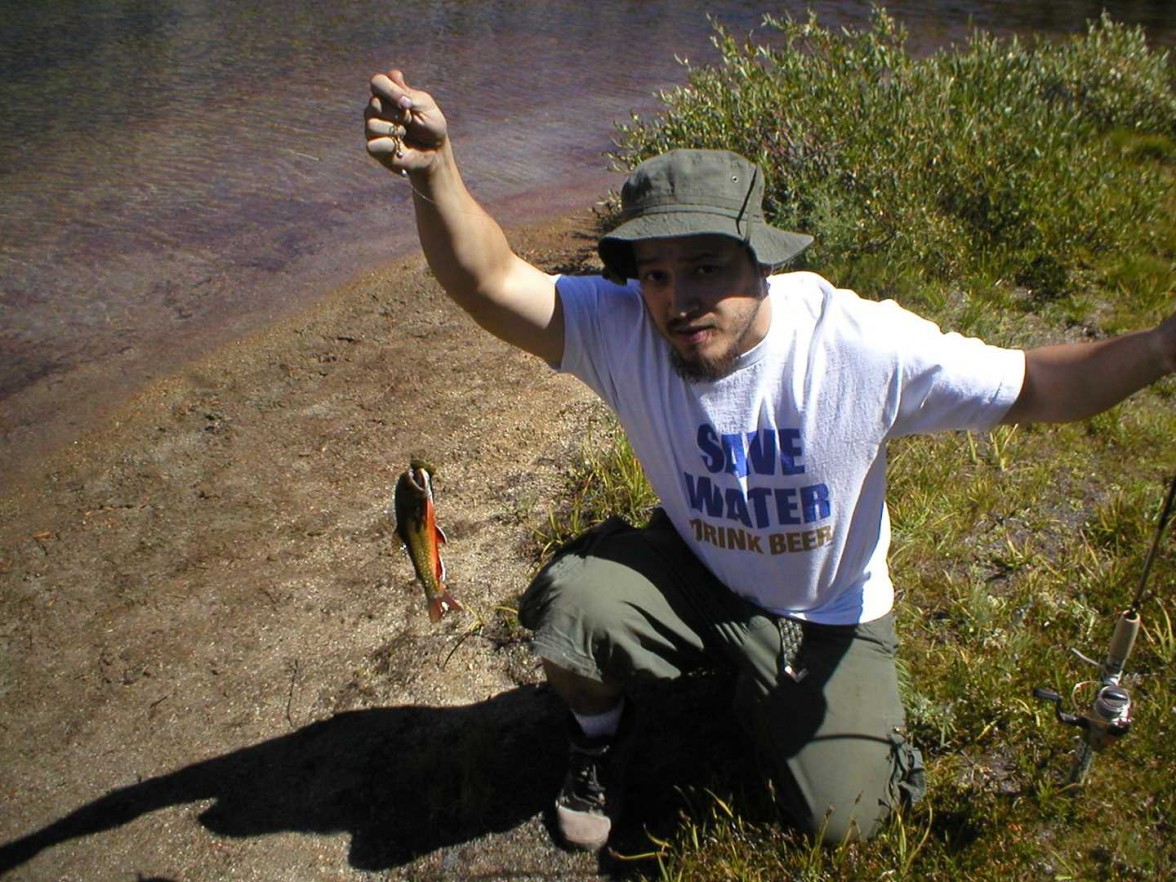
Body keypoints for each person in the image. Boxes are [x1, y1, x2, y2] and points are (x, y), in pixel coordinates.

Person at [364, 69, 1176, 851]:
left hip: (827, 617)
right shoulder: (623, 329)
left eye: (707, 269)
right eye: (655, 274)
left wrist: (1162, 346)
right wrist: (436, 173)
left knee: (848, 818)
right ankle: (599, 743)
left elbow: (1036, 383)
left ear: (763, 260)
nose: (678, 302)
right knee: (570, 609)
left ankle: (771, 698)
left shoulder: (860, 346)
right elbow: (489, 279)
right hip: (695, 575)